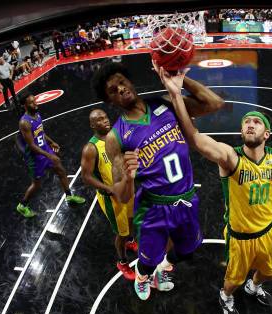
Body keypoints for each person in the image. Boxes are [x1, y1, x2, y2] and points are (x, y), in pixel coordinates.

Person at [157, 66, 272, 314]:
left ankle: (254, 287)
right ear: (242, 132)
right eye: (246, 122)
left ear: (267, 134)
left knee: (270, 272)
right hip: (240, 237)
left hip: (268, 231)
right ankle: (225, 295)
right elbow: (195, 138)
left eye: (256, 122)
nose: (250, 124)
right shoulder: (230, 157)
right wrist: (176, 94)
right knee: (233, 280)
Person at [92, 61, 224, 301]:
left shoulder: (165, 102)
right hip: (154, 209)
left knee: (186, 251)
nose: (120, 89)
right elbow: (121, 195)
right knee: (147, 259)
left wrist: (182, 83)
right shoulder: (116, 137)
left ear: (130, 81)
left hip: (186, 198)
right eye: (113, 90)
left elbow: (215, 103)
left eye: (122, 82)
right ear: (110, 101)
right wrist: (129, 178)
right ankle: (143, 276)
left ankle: (161, 267)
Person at [81, 109, 138, 280]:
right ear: (92, 125)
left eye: (105, 117)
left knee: (131, 219)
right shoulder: (90, 148)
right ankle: (122, 261)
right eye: (99, 120)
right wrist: (108, 188)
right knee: (120, 232)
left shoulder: (116, 137)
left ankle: (130, 240)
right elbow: (86, 176)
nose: (105, 121)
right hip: (111, 199)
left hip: (127, 188)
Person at [15, 92, 85, 217]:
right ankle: (22, 205)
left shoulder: (37, 114)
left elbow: (41, 132)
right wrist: (49, 155)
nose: (35, 103)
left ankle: (69, 196)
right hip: (35, 157)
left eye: (34, 100)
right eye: (31, 102)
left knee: (61, 170)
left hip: (45, 149)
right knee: (36, 184)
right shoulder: (24, 123)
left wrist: (52, 142)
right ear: (24, 106)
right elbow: (31, 145)